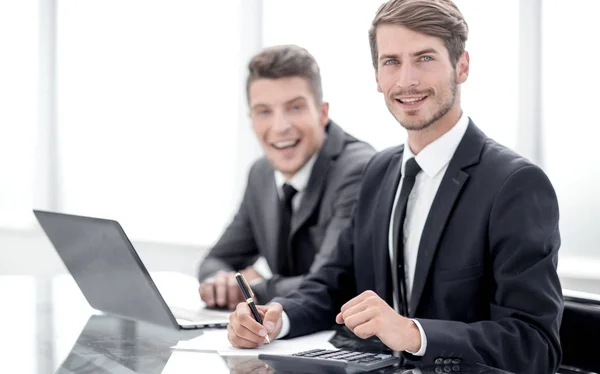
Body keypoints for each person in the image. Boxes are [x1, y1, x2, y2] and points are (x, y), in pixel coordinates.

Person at [225, 1, 563, 373]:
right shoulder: (379, 172)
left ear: (461, 66)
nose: (406, 81)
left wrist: (414, 334)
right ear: (376, 76)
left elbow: (535, 345)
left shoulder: (514, 185)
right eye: (391, 62)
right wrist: (276, 319)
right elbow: (330, 287)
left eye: (424, 58)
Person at [198, 45, 375, 309]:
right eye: (264, 111)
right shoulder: (261, 174)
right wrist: (222, 283)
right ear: (251, 119)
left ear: (322, 113)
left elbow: (330, 282)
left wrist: (254, 287)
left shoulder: (358, 170)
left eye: (295, 108)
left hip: (340, 338)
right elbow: (215, 261)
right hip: (285, 335)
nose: (280, 127)